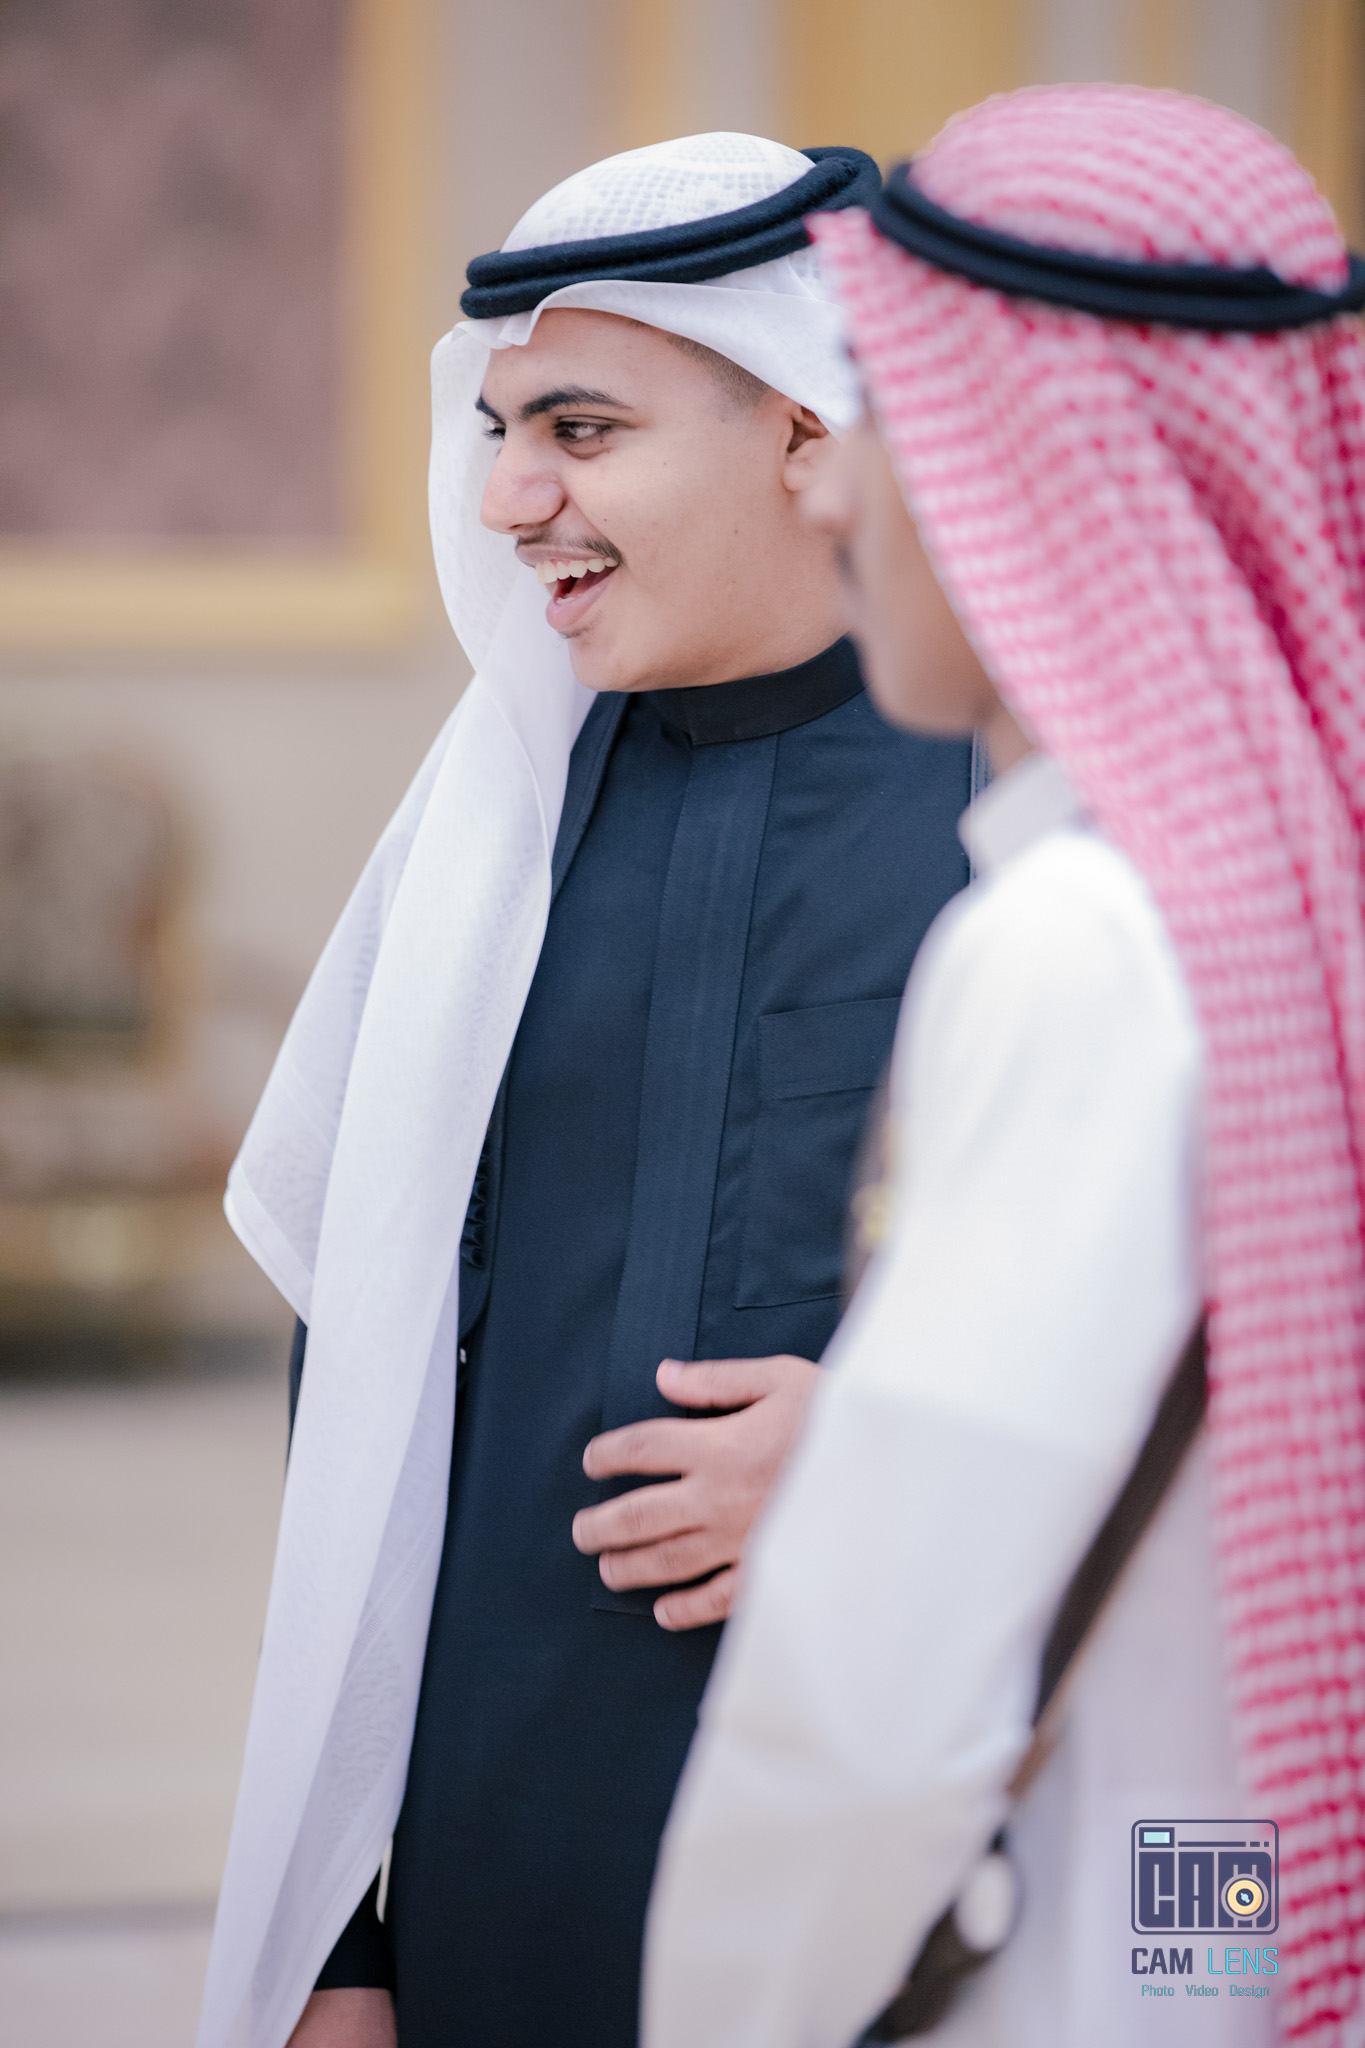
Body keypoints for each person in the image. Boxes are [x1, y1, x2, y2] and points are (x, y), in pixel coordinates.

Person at [194, 133, 977, 2048]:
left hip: (928, 1852)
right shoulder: (484, 847)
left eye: (581, 429)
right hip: (506, 1855)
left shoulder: (1036, 814)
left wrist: (893, 1455)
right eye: (497, 431)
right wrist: (339, 1944)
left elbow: (1258, 1317)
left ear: (805, 426)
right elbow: (359, 1406)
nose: (508, 497)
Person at [643, 86, 1365, 2048]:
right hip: (1214, 1914)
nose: (826, 498)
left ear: (1049, 469)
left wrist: (724, 2010)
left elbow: (878, 1685)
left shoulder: (1085, 946)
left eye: (882, 415)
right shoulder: (1271, 897)